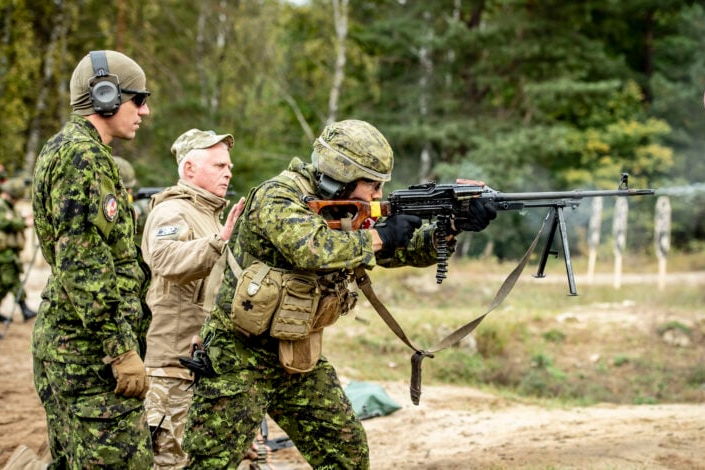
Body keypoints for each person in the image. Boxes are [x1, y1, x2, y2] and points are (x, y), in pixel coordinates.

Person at [182, 119, 496, 468]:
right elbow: (311, 249)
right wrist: (382, 236)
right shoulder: (277, 196)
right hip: (238, 357)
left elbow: (397, 252)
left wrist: (451, 229)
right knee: (211, 462)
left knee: (346, 455)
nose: (378, 194)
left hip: (298, 355)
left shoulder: (344, 206)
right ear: (342, 175)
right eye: (372, 184)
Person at [31, 49, 154, 468]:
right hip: (88, 355)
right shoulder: (81, 156)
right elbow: (82, 263)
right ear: (104, 96)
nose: (145, 110)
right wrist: (121, 350)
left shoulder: (71, 149)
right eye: (137, 99)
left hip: (76, 347)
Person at [141, 128, 244, 469]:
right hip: (170, 368)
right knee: (170, 463)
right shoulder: (173, 212)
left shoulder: (208, 213)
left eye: (228, 165)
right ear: (189, 170)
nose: (228, 171)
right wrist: (220, 240)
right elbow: (166, 259)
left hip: (197, 365)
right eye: (218, 165)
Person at [0, 177, 37, 322]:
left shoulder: (8, 207)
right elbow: (2, 223)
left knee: (4, 281)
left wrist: (23, 219)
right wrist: (24, 223)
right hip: (0, 250)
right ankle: (24, 308)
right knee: (11, 278)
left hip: (8, 249)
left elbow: (11, 219)